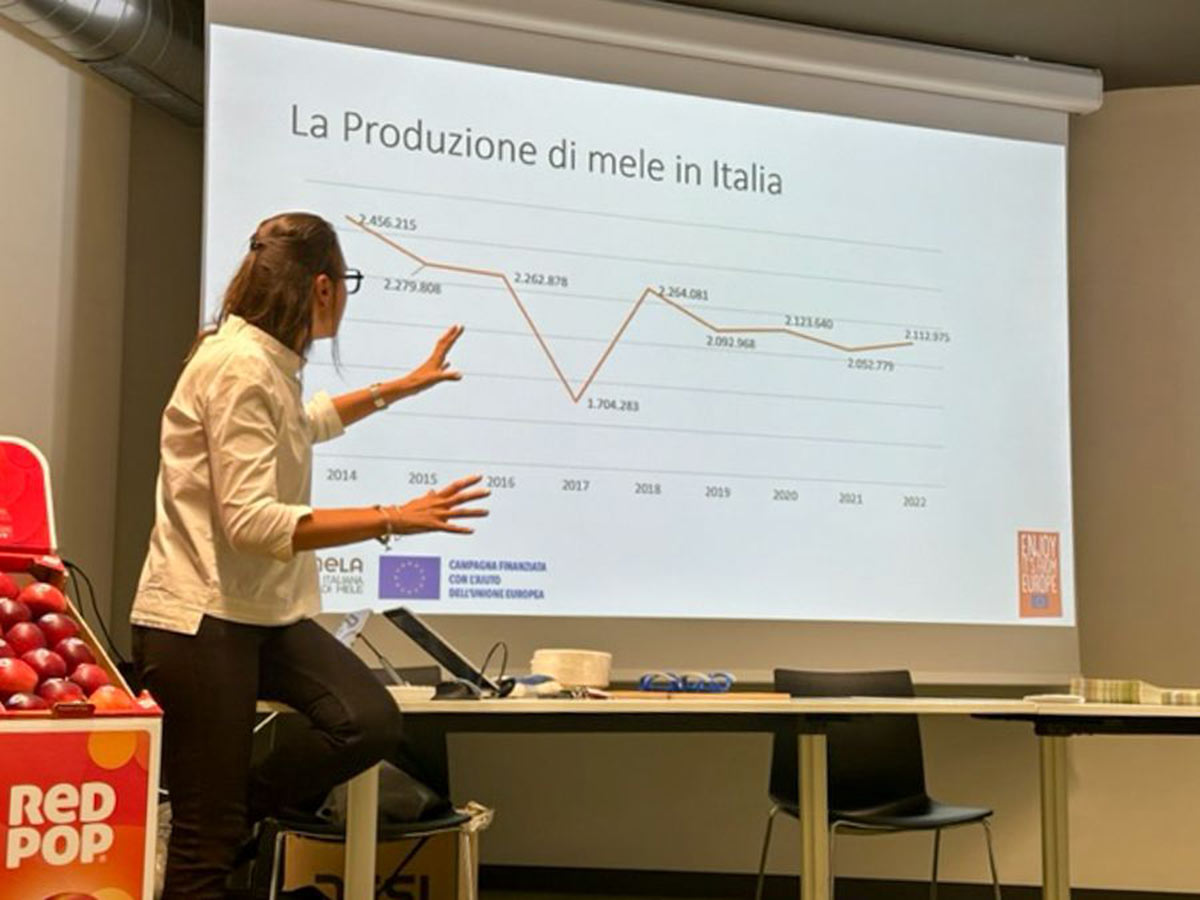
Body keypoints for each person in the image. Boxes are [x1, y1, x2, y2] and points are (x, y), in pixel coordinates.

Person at [130, 211, 488, 899]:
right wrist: (393, 518)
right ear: (323, 287)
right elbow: (253, 523)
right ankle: (211, 817)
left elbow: (301, 424)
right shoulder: (240, 368)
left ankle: (223, 808)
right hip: (199, 620)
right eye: (349, 282)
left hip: (259, 614)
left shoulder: (264, 360)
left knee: (366, 720)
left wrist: (401, 386)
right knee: (204, 854)